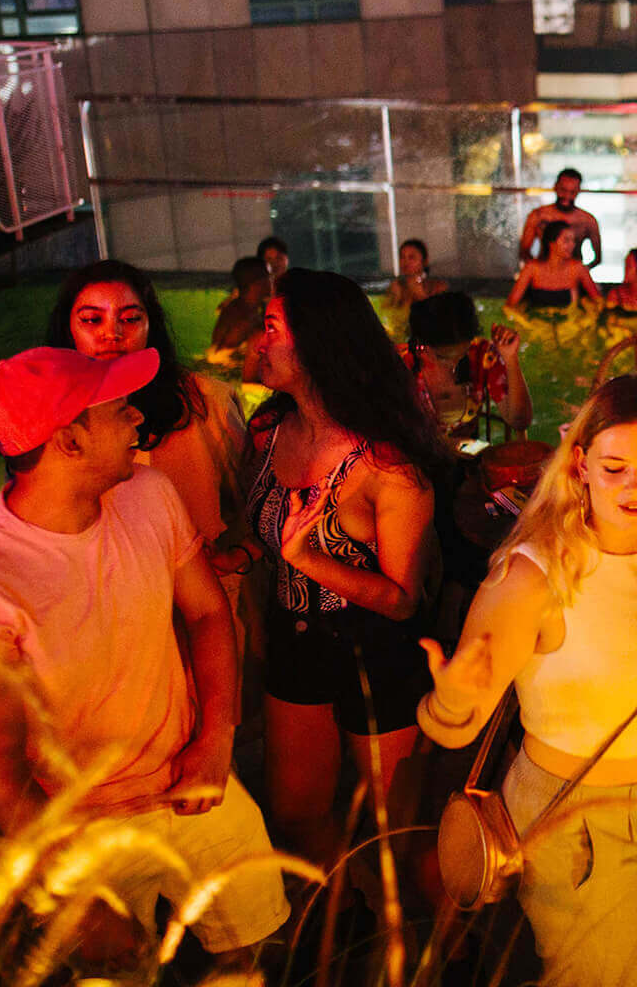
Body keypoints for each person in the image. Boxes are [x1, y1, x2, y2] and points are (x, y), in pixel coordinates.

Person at [0, 347, 288, 961]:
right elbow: (5, 786)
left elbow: (210, 612)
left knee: (254, 949)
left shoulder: (149, 492)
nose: (138, 417)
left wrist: (216, 740)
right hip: (83, 833)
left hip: (195, 783)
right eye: (117, 409)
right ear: (68, 442)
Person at [416, 374, 637, 987]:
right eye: (616, 468)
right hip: (572, 818)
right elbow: (454, 728)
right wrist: (451, 699)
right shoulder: (536, 575)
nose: (636, 487)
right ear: (579, 465)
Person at [246, 269, 448, 875]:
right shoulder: (266, 430)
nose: (260, 343)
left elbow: (402, 599)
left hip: (377, 652)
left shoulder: (384, 464)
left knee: (398, 834)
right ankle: (352, 914)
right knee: (297, 814)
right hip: (296, 640)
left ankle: (433, 948)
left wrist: (308, 560)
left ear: (316, 344)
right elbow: (265, 534)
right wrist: (243, 556)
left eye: (272, 329)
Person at [48, 262, 252, 584]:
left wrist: (240, 555)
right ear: (67, 329)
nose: (111, 334)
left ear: (151, 326)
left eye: (130, 319)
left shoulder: (205, 402)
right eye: (91, 320)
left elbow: (253, 501)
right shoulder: (49, 417)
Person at [403, 291, 532, 437]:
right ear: (422, 345)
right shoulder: (402, 365)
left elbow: (520, 421)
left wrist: (510, 358)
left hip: (468, 455)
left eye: (462, 355)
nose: (453, 365)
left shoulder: (482, 354)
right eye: (442, 357)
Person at [506, 220, 603, 313]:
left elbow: (598, 301)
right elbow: (511, 304)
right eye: (566, 240)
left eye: (573, 241)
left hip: (568, 324)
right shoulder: (532, 268)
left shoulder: (578, 268)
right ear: (551, 243)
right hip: (537, 322)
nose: (572, 245)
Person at [517, 167, 602, 268]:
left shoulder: (587, 220)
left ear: (578, 191)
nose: (567, 197)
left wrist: (579, 274)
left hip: (574, 279)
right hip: (543, 278)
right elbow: (524, 252)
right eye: (563, 190)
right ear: (555, 187)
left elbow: (597, 258)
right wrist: (539, 273)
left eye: (572, 192)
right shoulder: (538, 216)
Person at [208, 256, 269, 370]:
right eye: (268, 276)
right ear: (257, 283)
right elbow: (217, 356)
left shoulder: (245, 308)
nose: (272, 280)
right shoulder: (244, 317)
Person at [385, 238, 449, 311]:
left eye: (411, 257)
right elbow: (384, 314)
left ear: (425, 261)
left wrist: (420, 295)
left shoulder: (438, 286)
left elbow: (441, 315)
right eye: (402, 257)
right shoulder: (396, 286)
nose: (405, 262)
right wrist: (396, 300)